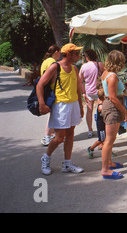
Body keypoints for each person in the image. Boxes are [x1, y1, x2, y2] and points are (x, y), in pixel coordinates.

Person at [37, 43, 84, 175]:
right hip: (60, 106)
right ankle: (45, 158)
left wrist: (80, 106)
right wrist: (42, 103)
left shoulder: (74, 69)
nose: (78, 56)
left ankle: (67, 163)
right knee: (58, 137)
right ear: (68, 54)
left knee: (70, 134)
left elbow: (77, 89)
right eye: (76, 53)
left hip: (73, 104)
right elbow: (40, 84)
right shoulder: (55, 67)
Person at [100, 50, 127, 180]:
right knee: (109, 140)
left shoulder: (106, 73)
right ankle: (105, 170)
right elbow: (113, 98)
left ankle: (109, 163)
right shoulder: (112, 77)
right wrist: (125, 111)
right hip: (113, 107)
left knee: (110, 139)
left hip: (109, 106)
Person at [79, 49, 104, 138]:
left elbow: (80, 81)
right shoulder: (99, 64)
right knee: (101, 110)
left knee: (89, 111)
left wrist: (83, 92)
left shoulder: (83, 67)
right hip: (99, 91)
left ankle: (90, 130)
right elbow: (104, 76)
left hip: (88, 91)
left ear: (87, 57)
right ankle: (102, 129)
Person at [40, 45, 61, 146]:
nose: (60, 54)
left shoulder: (45, 61)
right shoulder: (52, 63)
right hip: (52, 90)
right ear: (56, 51)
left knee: (52, 113)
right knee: (52, 114)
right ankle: (47, 136)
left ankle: (51, 134)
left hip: (47, 90)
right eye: (59, 52)